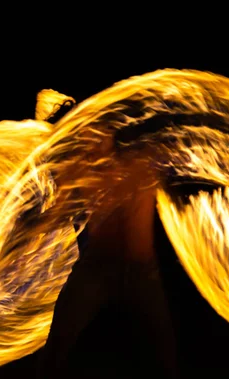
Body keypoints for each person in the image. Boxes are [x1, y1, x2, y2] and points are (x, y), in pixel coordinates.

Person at [36, 130, 179, 378]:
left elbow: (188, 152)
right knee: (60, 339)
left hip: (141, 271)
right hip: (96, 269)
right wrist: (14, 240)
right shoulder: (78, 174)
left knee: (163, 347)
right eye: (83, 137)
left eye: (95, 134)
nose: (89, 142)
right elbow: (55, 215)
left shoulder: (143, 160)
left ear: (111, 133)